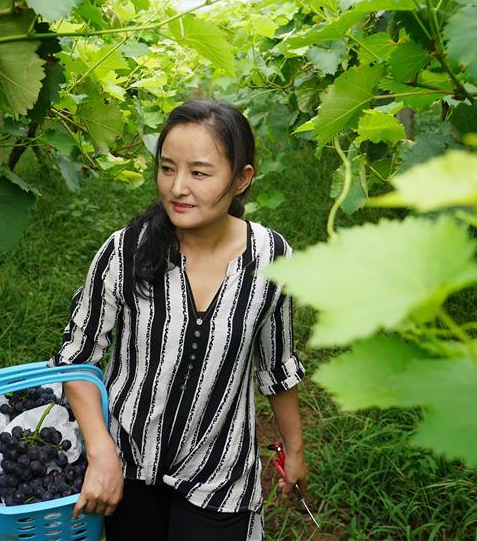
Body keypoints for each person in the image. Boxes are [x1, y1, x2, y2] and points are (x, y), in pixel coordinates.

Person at [50, 100, 307, 541]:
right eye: (167, 169)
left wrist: (295, 450)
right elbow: (76, 359)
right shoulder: (126, 251)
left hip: (220, 474)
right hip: (128, 466)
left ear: (242, 179)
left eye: (200, 173)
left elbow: (277, 366)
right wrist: (101, 451)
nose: (178, 187)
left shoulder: (271, 258)